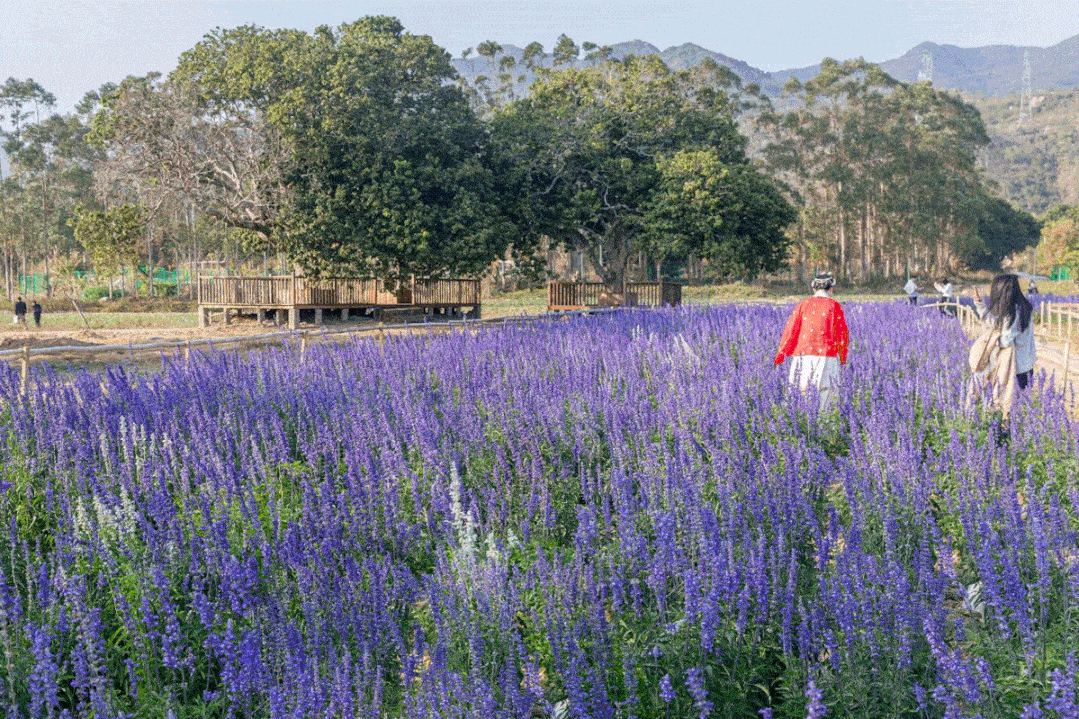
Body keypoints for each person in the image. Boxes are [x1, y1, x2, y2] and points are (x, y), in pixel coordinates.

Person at [774, 272, 850, 412]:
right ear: (831, 289)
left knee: (801, 392)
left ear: (814, 289)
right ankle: (825, 430)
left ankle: (802, 425)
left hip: (803, 356)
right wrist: (843, 358)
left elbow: (791, 330)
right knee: (827, 395)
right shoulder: (834, 306)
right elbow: (842, 334)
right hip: (827, 356)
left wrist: (781, 354)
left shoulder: (803, 304)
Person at [973, 274, 1036, 391]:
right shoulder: (1016, 309)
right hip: (1022, 368)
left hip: (1015, 370)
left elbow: (1005, 341)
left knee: (1010, 406)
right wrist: (980, 305)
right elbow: (997, 325)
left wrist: (989, 342)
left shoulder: (1016, 313)